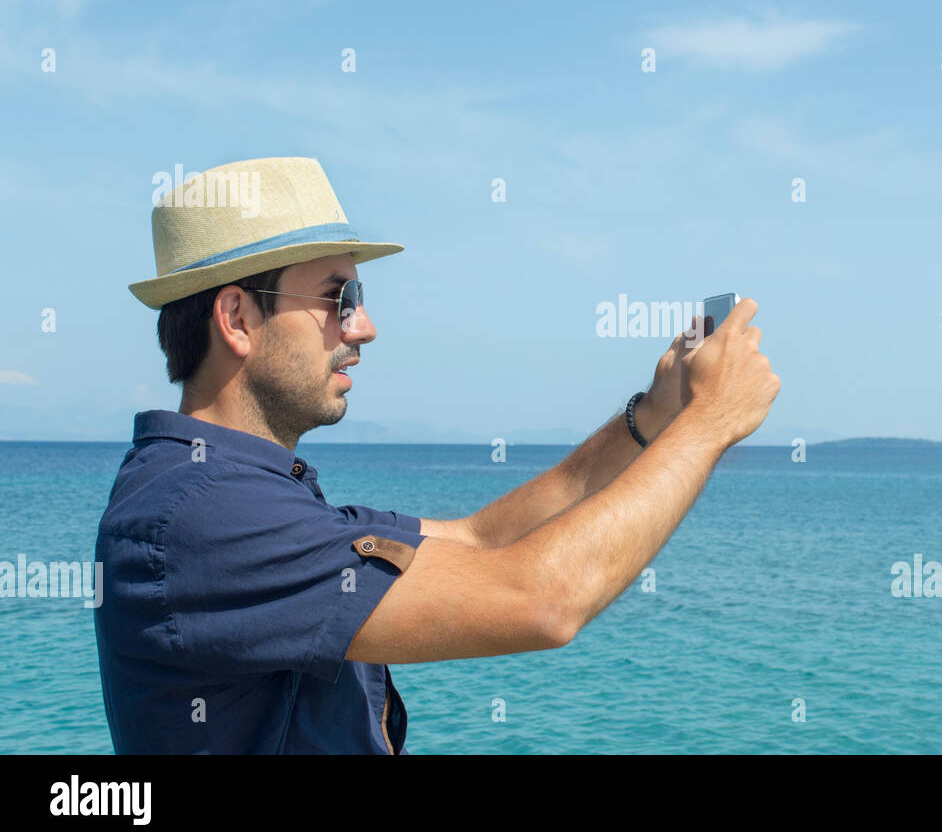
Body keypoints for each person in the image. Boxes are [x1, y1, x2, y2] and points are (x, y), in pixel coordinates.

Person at [95, 156, 779, 754]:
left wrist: (655, 418)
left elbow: (486, 539)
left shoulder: (246, 496)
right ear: (238, 318)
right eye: (339, 297)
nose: (363, 326)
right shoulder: (204, 516)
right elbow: (543, 600)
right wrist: (712, 422)